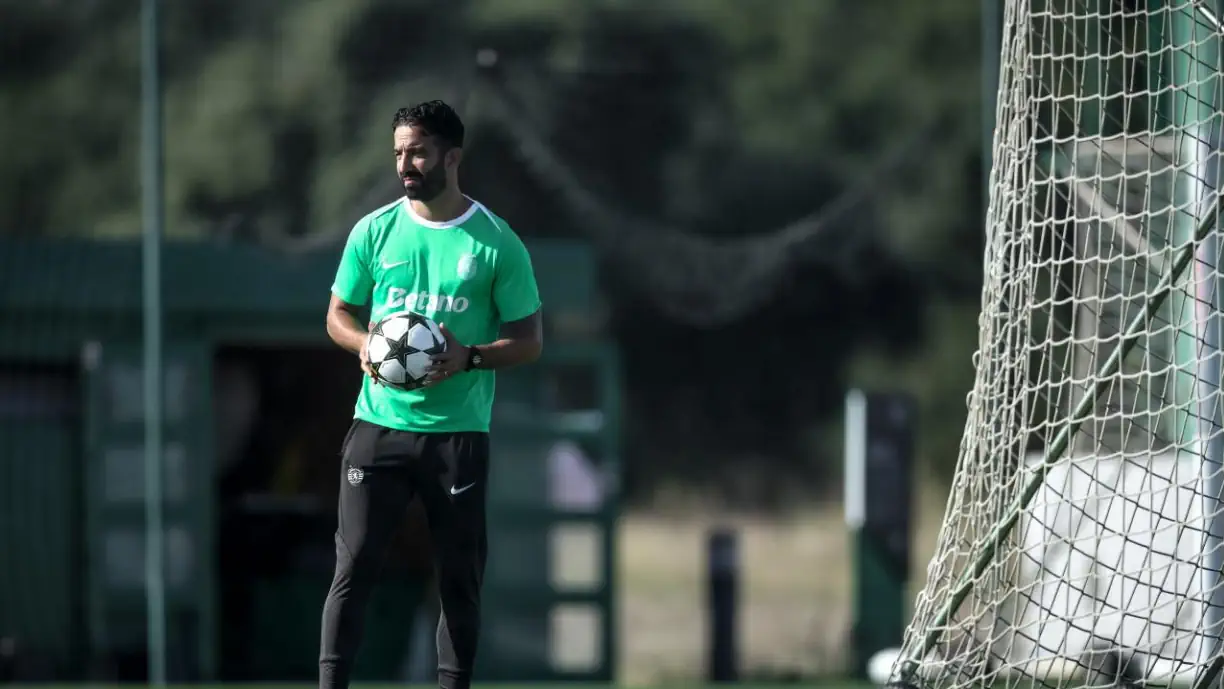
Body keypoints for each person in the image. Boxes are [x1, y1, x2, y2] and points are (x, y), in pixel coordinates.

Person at [319, 100, 544, 689]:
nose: (405, 164)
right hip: (379, 427)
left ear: (452, 155)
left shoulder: (497, 244)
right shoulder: (375, 231)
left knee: (458, 578)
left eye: (416, 151)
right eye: (397, 152)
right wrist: (365, 344)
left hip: (457, 438)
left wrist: (469, 357)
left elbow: (528, 340)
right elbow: (338, 314)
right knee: (354, 568)